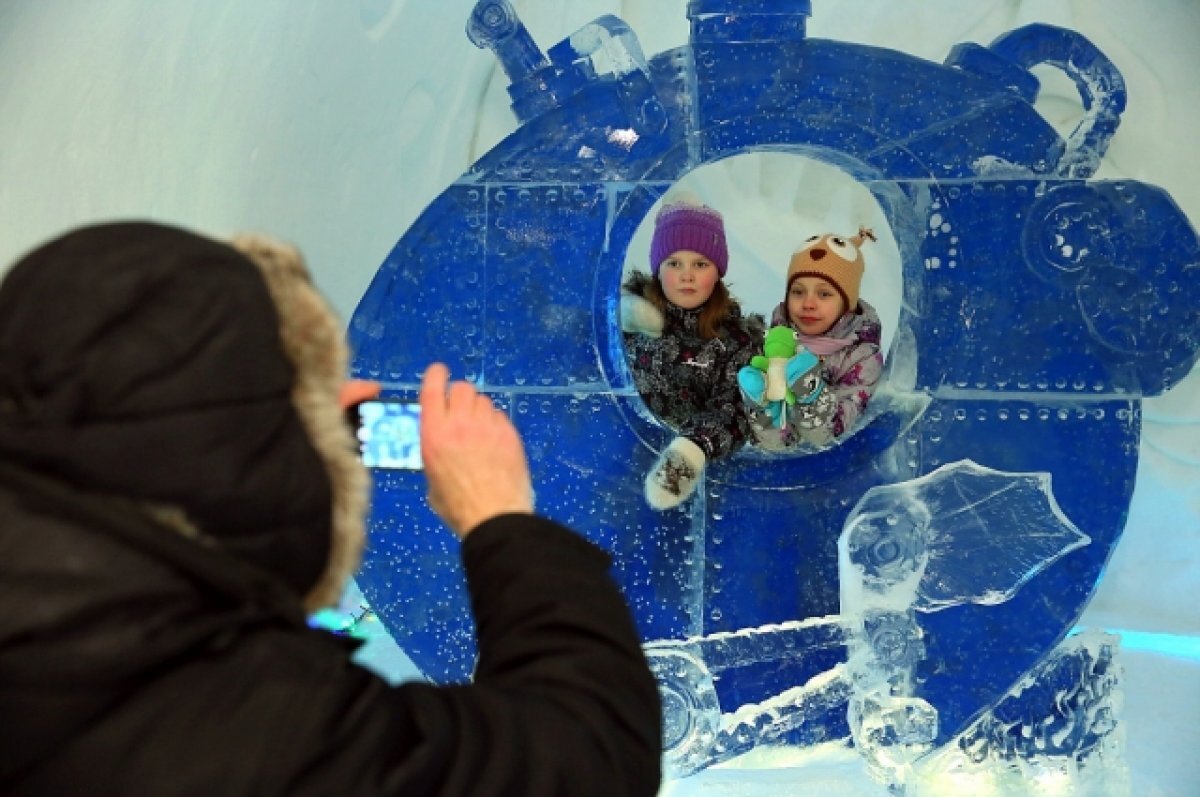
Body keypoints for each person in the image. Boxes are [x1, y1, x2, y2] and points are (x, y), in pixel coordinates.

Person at [0, 222, 661, 796]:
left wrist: (299, 435)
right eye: (311, 390)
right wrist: (499, 517)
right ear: (234, 454)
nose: (352, 393)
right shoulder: (243, 728)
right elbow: (587, 753)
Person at [620, 196, 762, 511]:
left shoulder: (733, 341)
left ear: (718, 272)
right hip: (624, 455)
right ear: (658, 269)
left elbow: (735, 410)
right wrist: (625, 315)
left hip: (699, 475)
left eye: (700, 264)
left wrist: (691, 451)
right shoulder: (634, 320)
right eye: (674, 263)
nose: (687, 275)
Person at [739, 228, 884, 448]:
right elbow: (778, 444)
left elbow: (830, 434)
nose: (808, 303)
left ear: (847, 304)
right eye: (798, 292)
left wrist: (811, 394)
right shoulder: (778, 338)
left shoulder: (861, 357)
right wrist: (762, 407)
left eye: (824, 294)